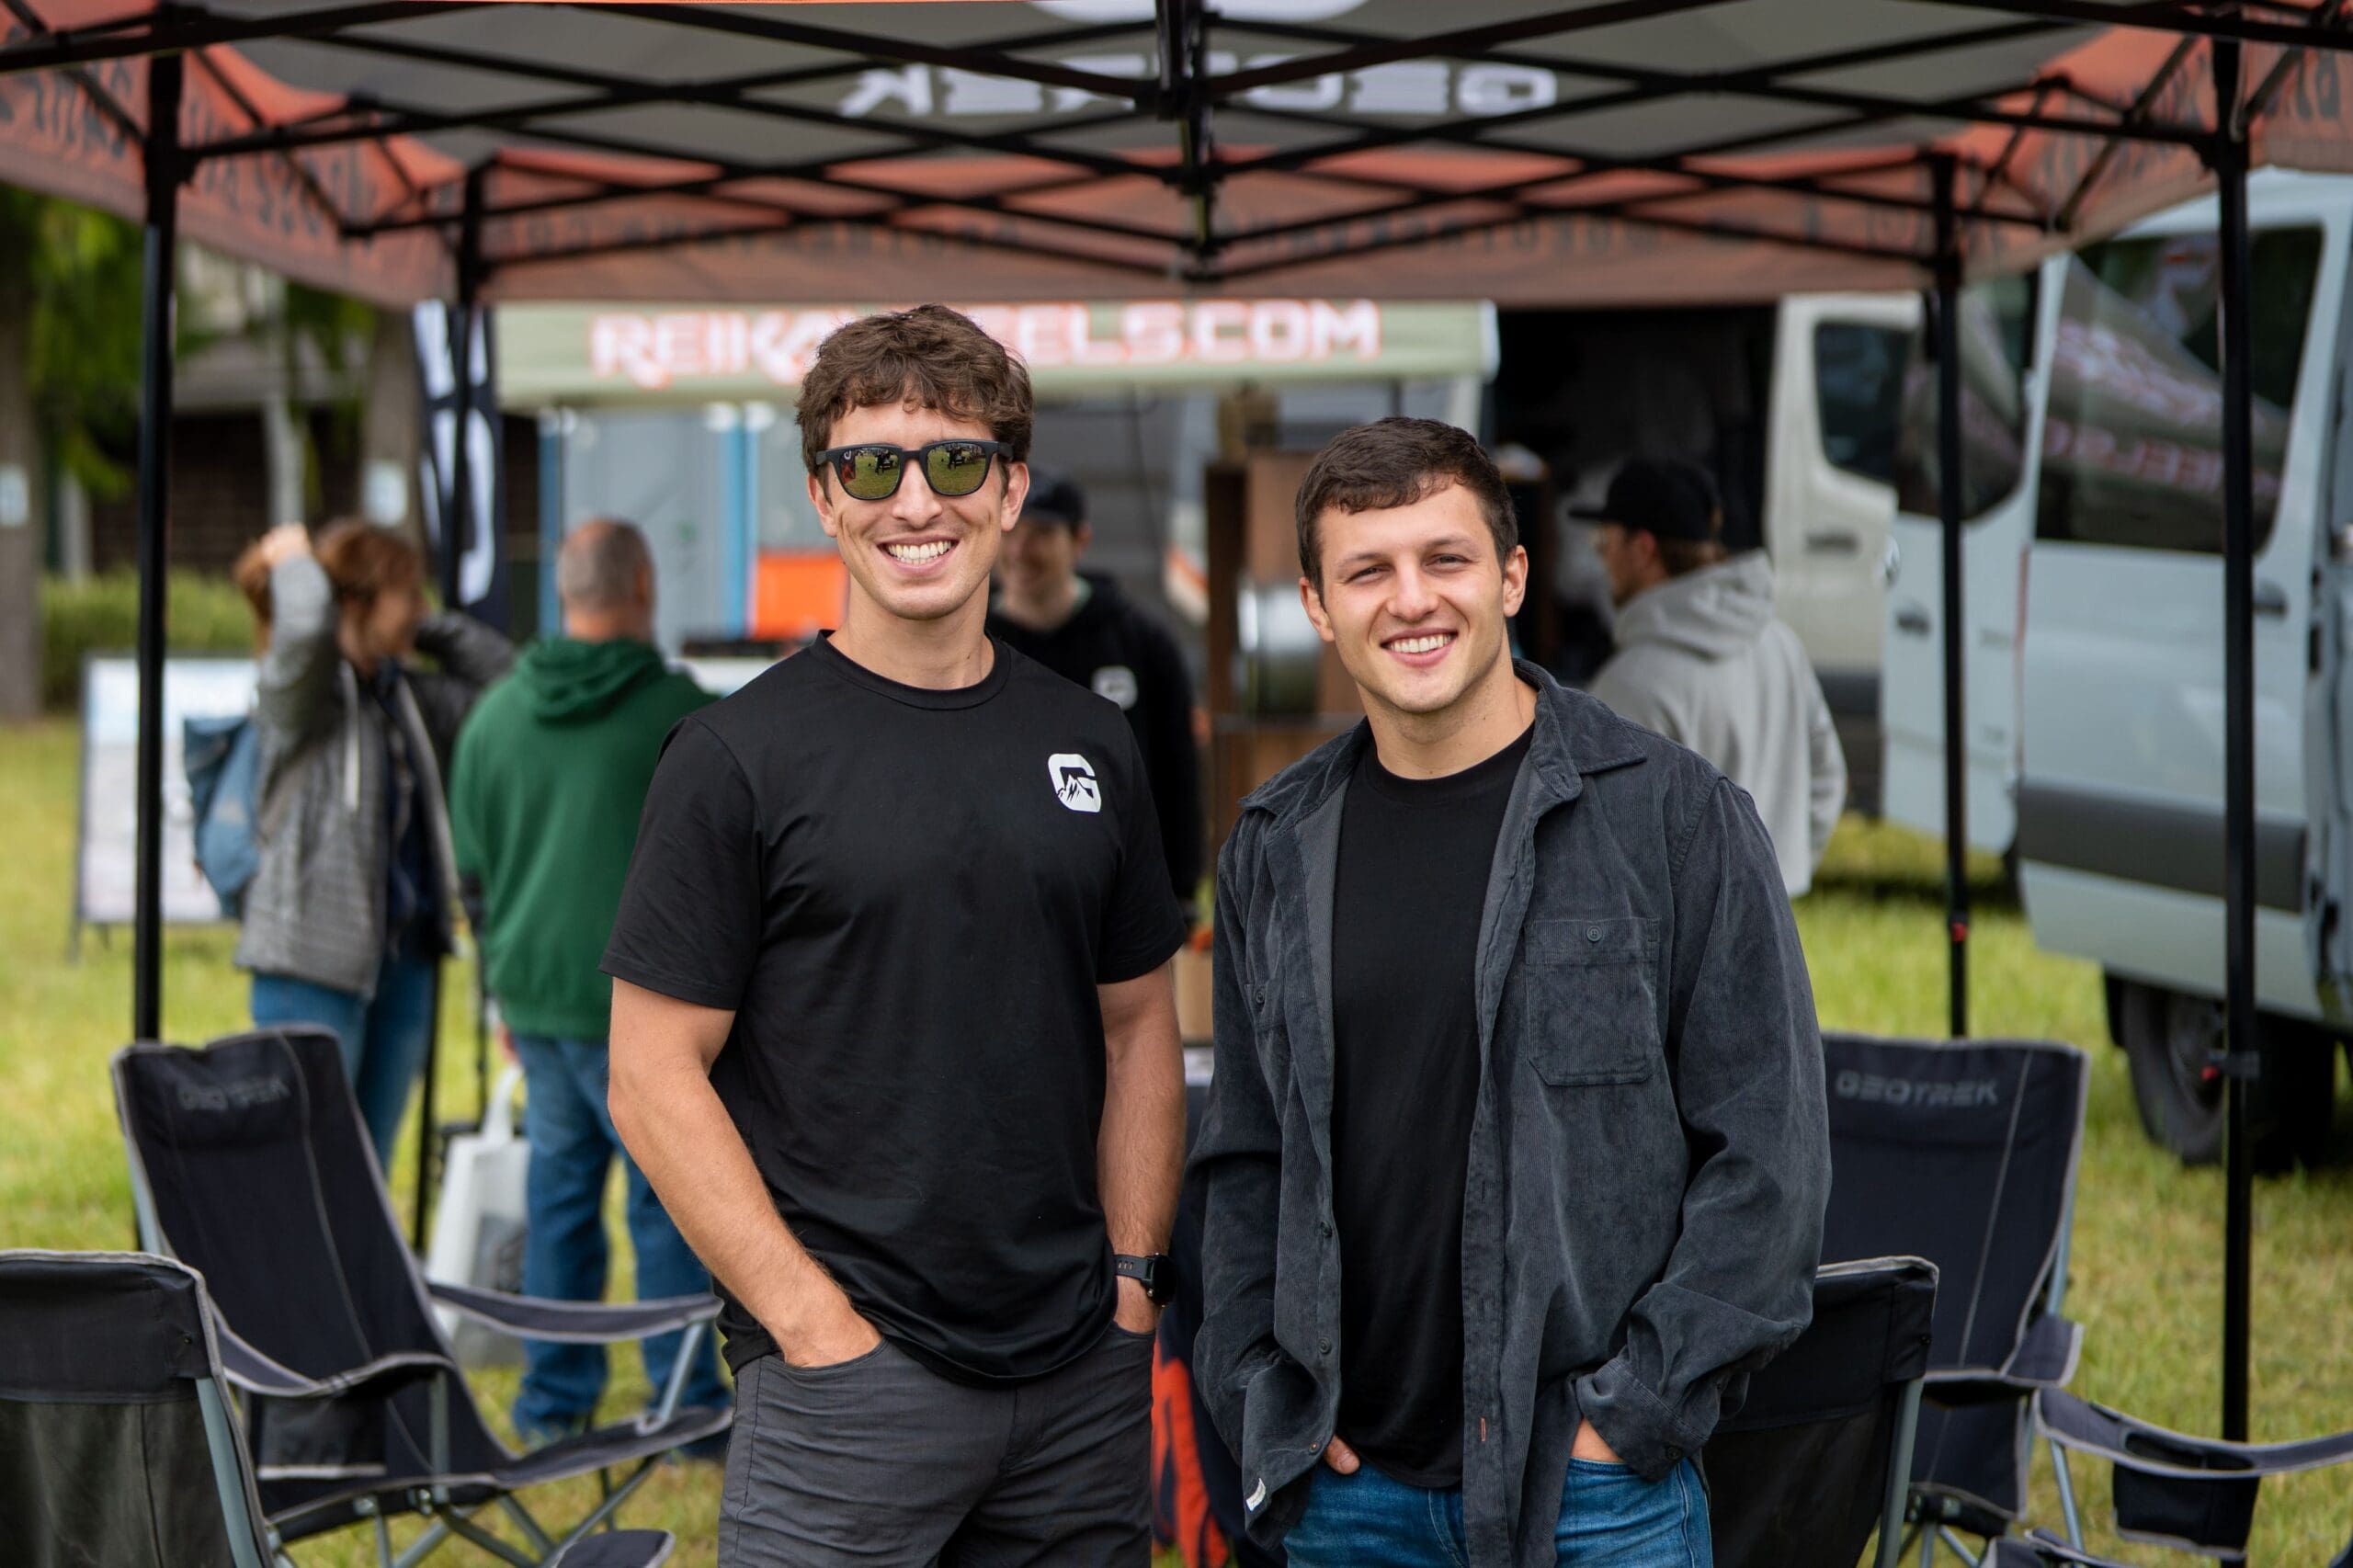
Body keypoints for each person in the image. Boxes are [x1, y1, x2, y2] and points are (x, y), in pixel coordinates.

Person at [602, 304, 1189, 1567]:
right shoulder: (733, 756)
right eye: (872, 466)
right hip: (848, 1384)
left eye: (956, 461)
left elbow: (1140, 1021)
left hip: (1078, 1373)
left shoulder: (1092, 742)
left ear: (1012, 488)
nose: (915, 501)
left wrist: (1135, 1283)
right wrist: (810, 1324)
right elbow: (649, 1075)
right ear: (824, 495)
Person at [1189, 417, 1829, 1568]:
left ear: (1513, 576)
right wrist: (1256, 1390)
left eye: (1446, 558)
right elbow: (1244, 1160)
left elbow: (1769, 1160)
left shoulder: (1673, 819)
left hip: (1594, 1498)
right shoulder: (1273, 847)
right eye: (1368, 571)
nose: (1411, 599)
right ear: (1317, 605)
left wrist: (1631, 1412)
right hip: (1350, 1499)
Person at [447, 519, 731, 1448]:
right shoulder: (682, 715)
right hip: (653, 1007)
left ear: (563, 592)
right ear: (643, 585)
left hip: (536, 1003)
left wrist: (501, 995)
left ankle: (552, 1401)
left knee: (559, 1200)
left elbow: (474, 880)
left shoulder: (493, 718)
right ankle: (684, 1408)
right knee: (667, 1204)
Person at [233, 519, 511, 1167]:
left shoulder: (405, 695)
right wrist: (294, 560)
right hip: (312, 965)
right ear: (356, 602)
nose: (420, 606)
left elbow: (508, 689)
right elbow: (306, 625)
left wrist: (423, 628)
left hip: (403, 962)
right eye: (408, 593)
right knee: (307, 1169)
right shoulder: (302, 694)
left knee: (367, 1165)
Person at [1580, 456, 1847, 897]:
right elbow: (1828, 776)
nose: (1602, 557)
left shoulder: (1631, 683)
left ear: (1642, 548)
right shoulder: (1781, 644)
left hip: (1677, 932)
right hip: (1775, 917)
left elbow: (1609, 842)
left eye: (1604, 540)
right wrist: (1778, 880)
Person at [988, 470, 1205, 913]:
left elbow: (1177, 768)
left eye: (1041, 534)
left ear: (1079, 541)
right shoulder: (969, 641)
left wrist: (1181, 888)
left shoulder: (1139, 641)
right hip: (1000, 889)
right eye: (1010, 532)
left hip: (1118, 892)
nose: (1020, 550)